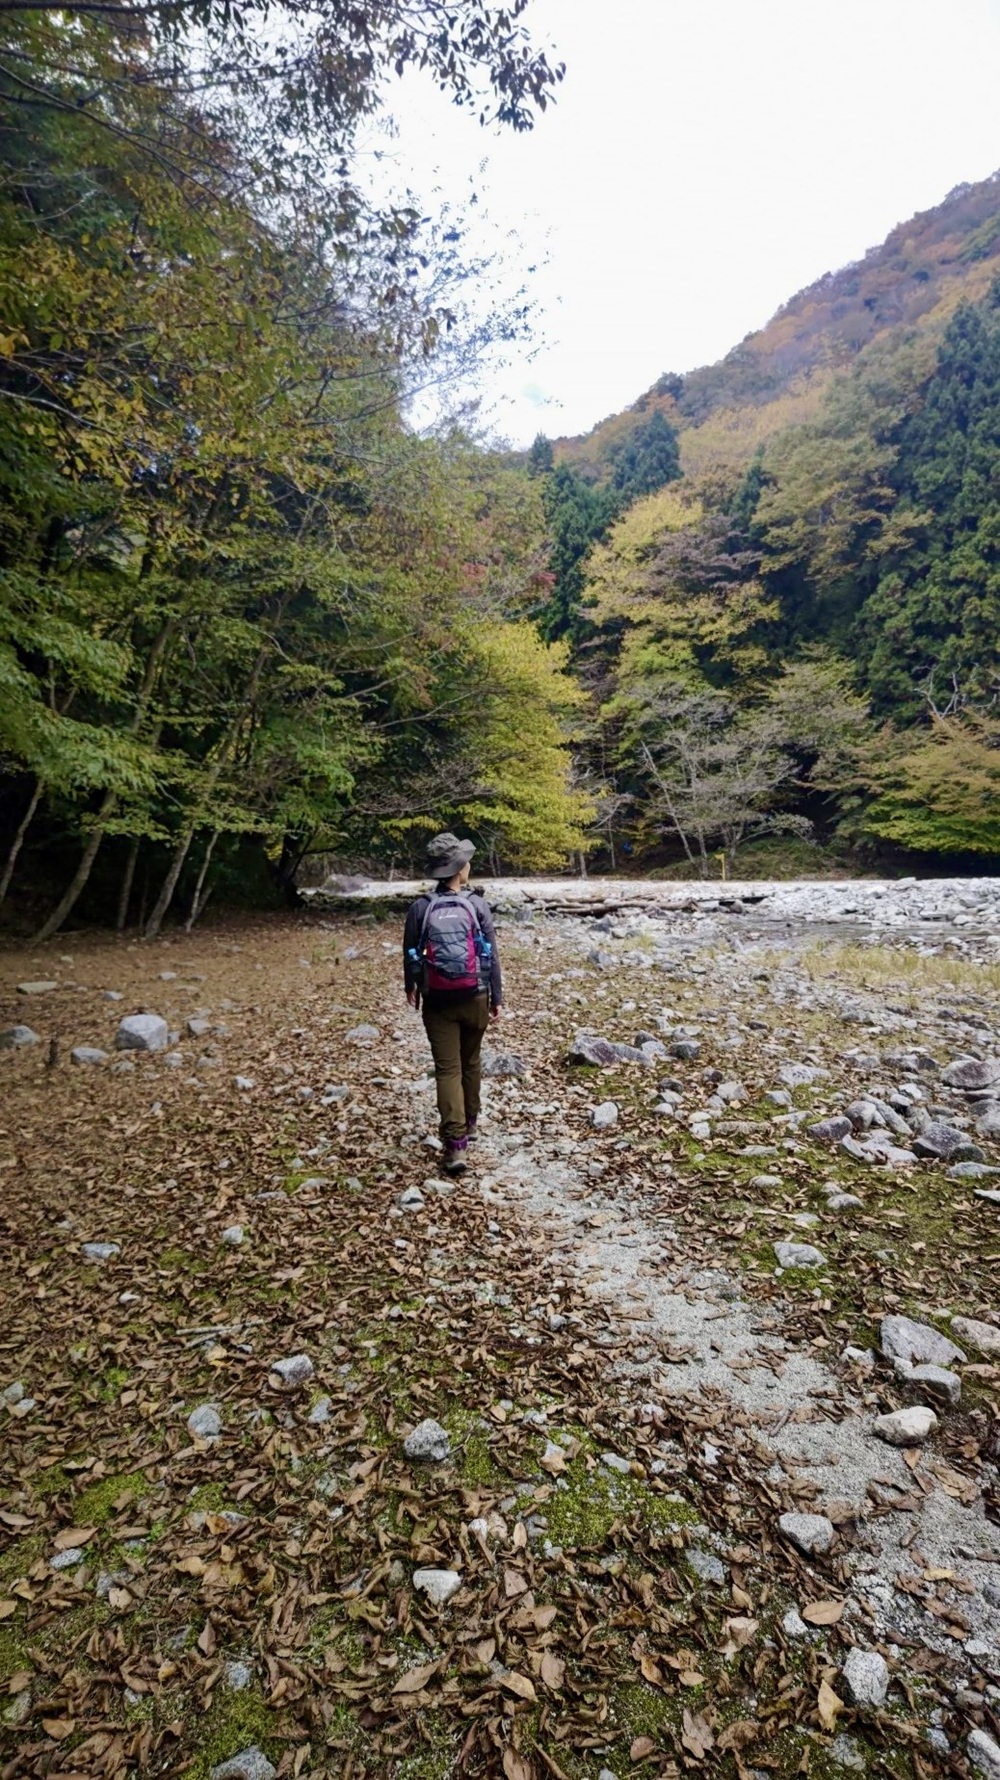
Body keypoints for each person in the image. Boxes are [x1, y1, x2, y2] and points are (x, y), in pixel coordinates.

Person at [402, 832, 502, 1175]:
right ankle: (470, 1123)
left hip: (438, 999)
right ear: (460, 869)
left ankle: (456, 1147)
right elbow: (492, 954)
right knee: (471, 1061)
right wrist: (496, 997)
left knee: (447, 1069)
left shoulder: (420, 907)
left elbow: (410, 952)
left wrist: (412, 987)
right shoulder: (477, 905)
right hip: (475, 995)